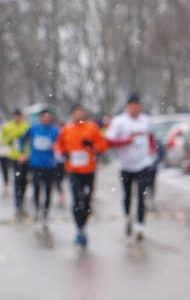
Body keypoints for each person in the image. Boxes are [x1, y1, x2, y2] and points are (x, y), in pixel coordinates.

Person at [105, 94, 157, 241]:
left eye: (137, 106)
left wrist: (152, 154)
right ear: (127, 107)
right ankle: (128, 218)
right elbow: (109, 142)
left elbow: (151, 138)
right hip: (126, 166)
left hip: (143, 165)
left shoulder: (146, 120)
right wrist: (127, 141)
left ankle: (140, 227)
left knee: (141, 196)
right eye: (132, 106)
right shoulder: (119, 122)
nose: (135, 109)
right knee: (127, 196)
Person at [56, 104, 108, 246]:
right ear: (72, 114)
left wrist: (91, 145)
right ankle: (79, 229)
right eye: (76, 113)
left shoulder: (92, 128)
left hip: (89, 170)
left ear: (84, 114)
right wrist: (63, 153)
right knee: (76, 199)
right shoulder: (66, 129)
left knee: (86, 201)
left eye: (81, 113)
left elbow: (103, 146)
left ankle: (83, 225)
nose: (78, 115)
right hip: (73, 170)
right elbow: (59, 145)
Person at [19, 109, 59, 228]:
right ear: (41, 118)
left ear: (51, 119)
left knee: (48, 191)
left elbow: (62, 144)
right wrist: (23, 153)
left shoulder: (55, 130)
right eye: (44, 117)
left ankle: (45, 214)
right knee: (36, 188)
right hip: (36, 165)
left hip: (50, 166)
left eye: (48, 117)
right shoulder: (33, 128)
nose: (46, 119)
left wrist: (57, 147)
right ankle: (37, 209)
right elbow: (22, 140)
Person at [1, 109, 31, 216]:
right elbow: (3, 138)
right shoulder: (8, 126)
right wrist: (8, 140)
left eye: (19, 116)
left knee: (25, 180)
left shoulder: (26, 126)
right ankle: (18, 203)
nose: (17, 118)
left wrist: (26, 154)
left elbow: (30, 140)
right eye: (15, 116)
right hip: (14, 157)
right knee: (18, 179)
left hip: (26, 157)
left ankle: (22, 198)